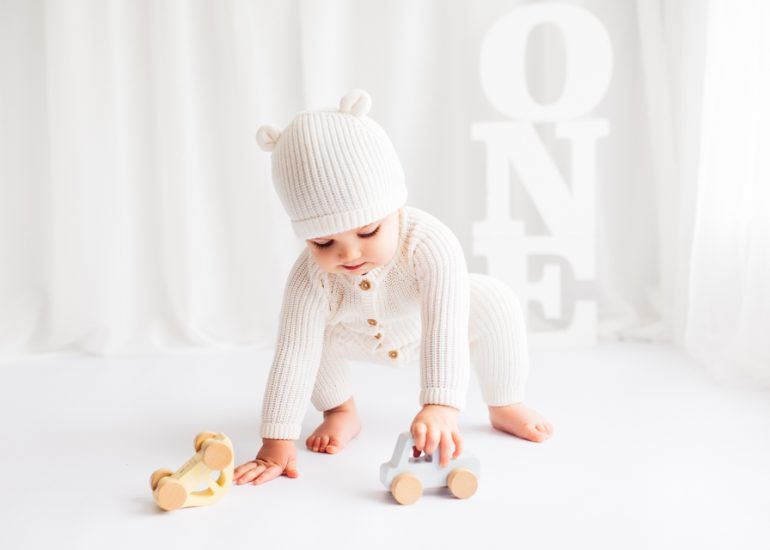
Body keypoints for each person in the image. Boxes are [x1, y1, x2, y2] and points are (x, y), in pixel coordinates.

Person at [233, 89, 553, 487]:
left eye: (368, 231)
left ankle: (505, 403)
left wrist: (440, 405)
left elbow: (446, 328)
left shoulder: (429, 243)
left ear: (394, 207)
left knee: (496, 302)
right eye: (323, 242)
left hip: (421, 326)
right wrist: (276, 440)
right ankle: (340, 410)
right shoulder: (310, 276)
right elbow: (293, 355)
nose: (349, 254)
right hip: (352, 337)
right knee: (308, 336)